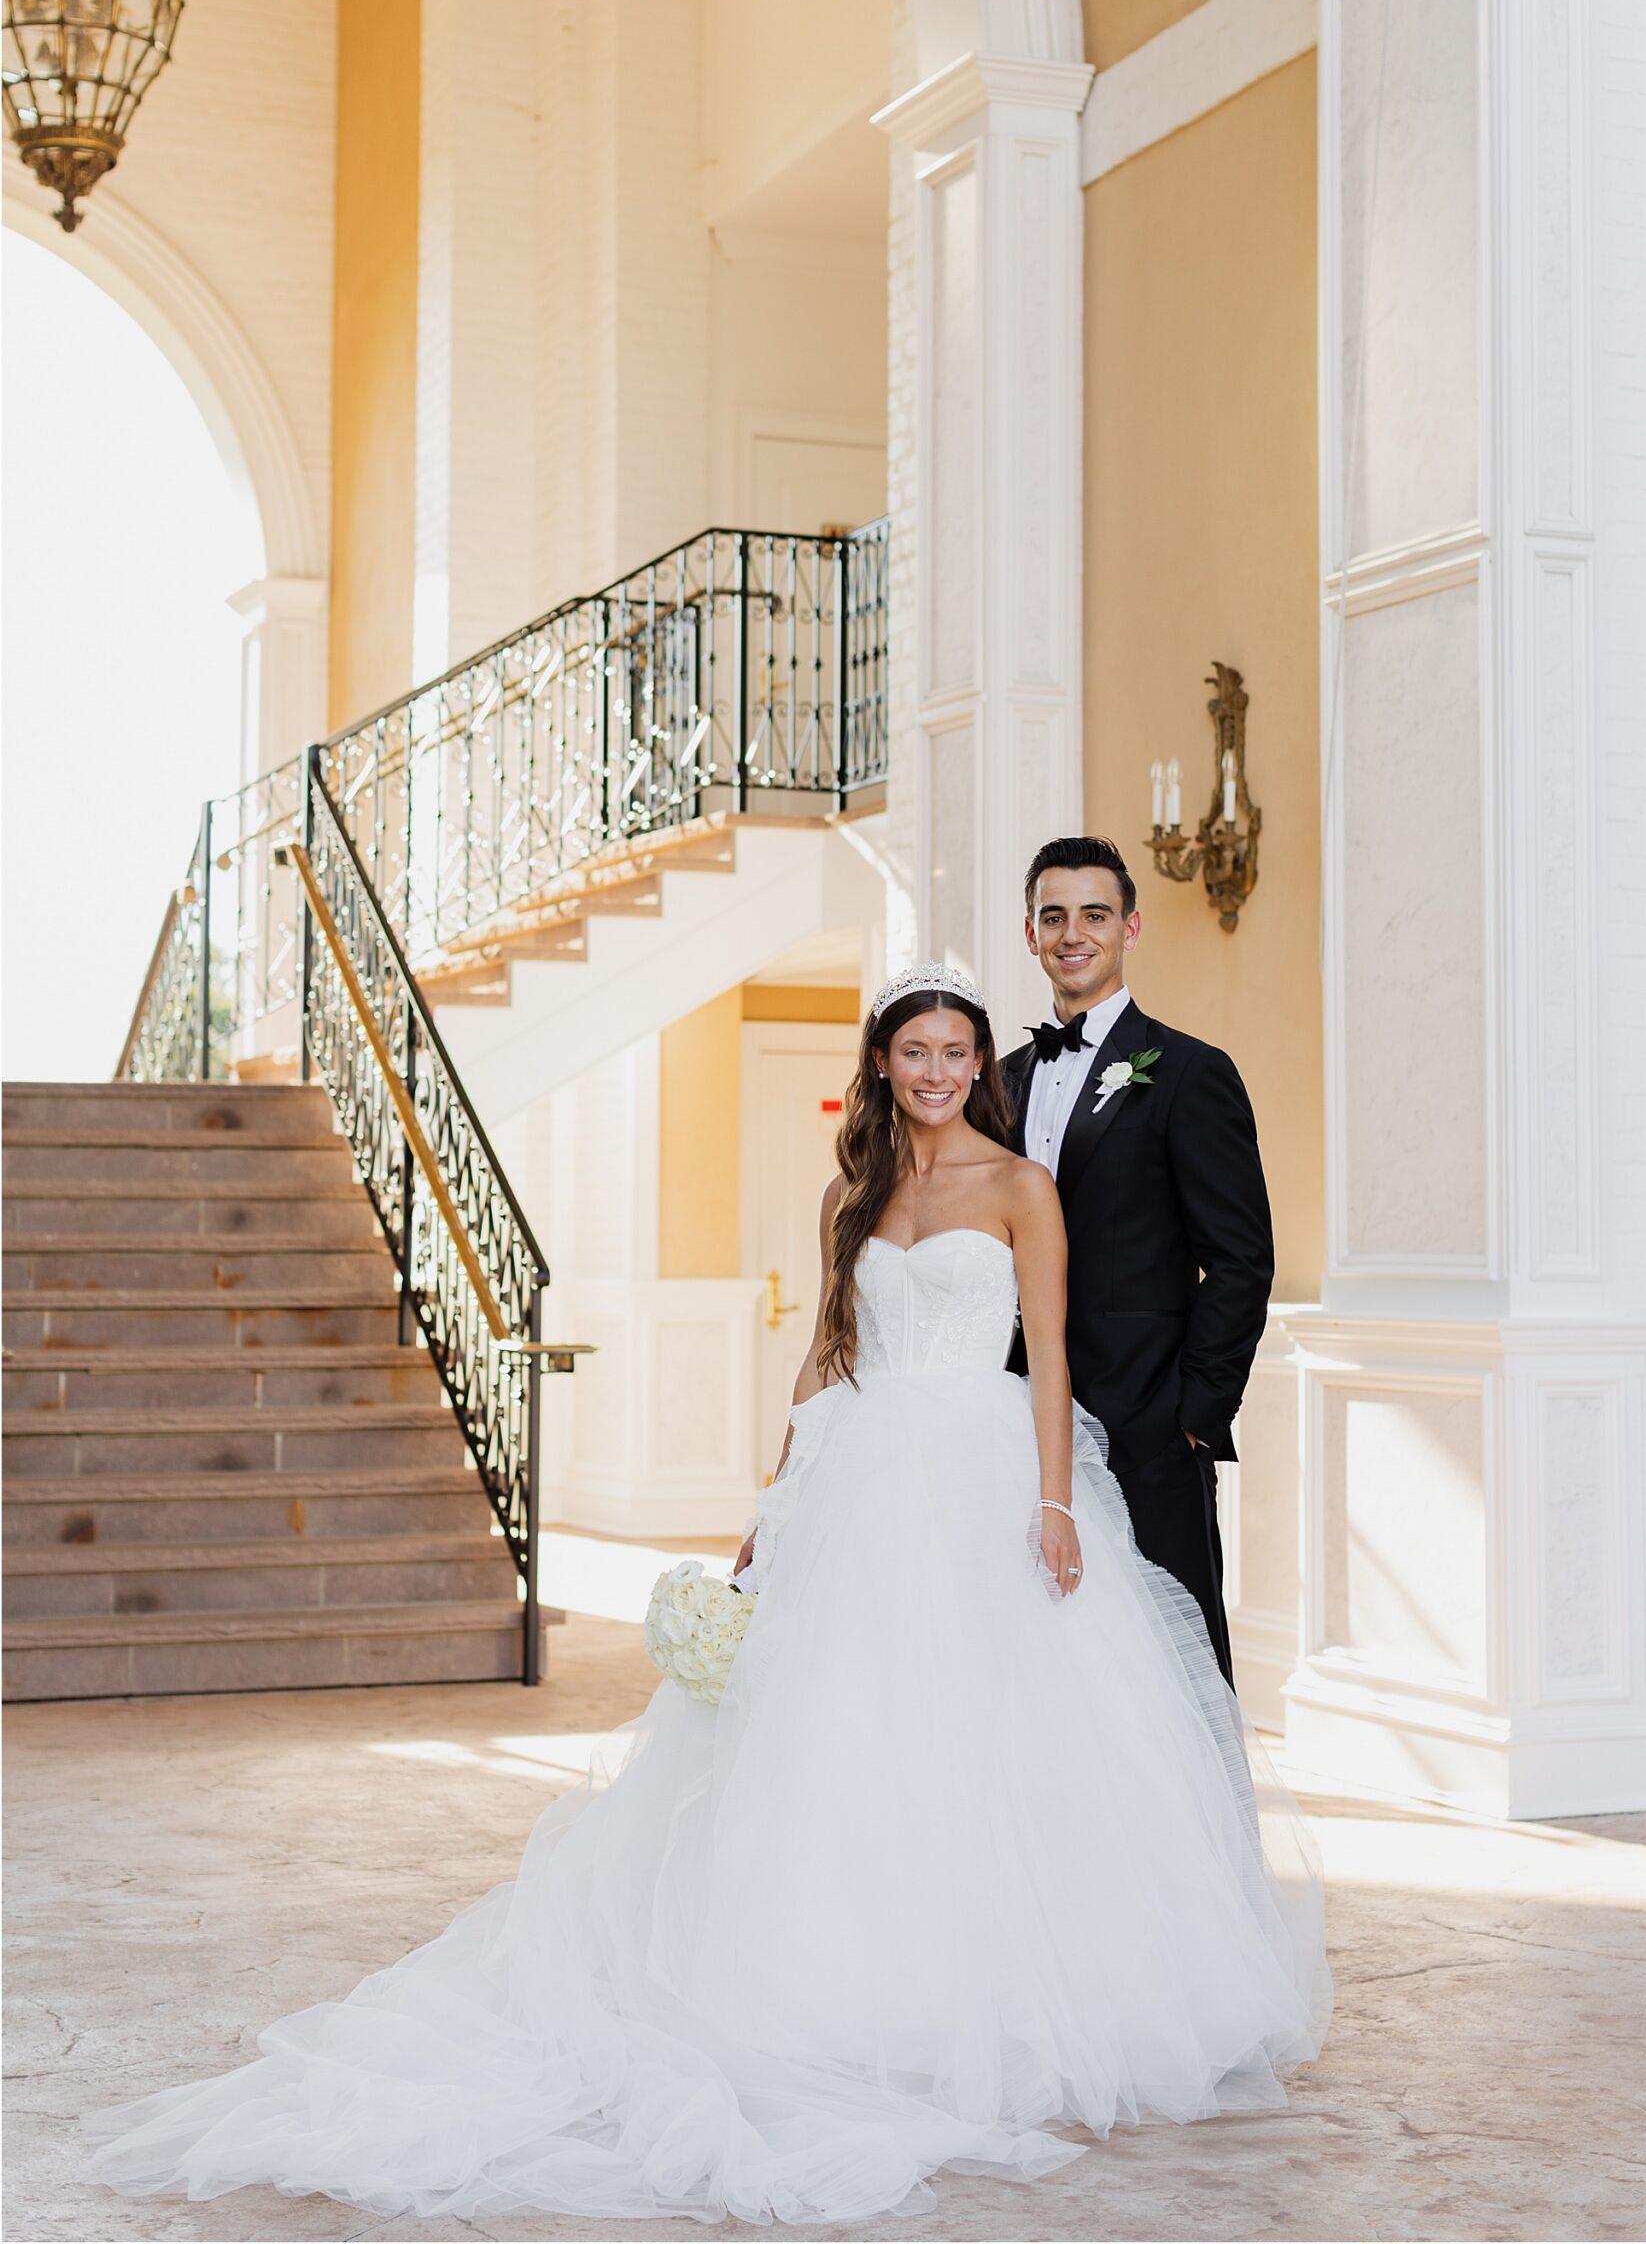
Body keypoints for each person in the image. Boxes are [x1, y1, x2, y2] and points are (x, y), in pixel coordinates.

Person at [87, 965, 1328, 2229]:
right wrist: (775, 1501)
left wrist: (1056, 1503)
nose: (939, 1070)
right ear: (886, 1065)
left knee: (992, 1733)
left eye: (958, 1051)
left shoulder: (1021, 1188)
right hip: (863, 1471)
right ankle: (847, 1983)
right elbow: (827, 1349)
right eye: (917, 1052)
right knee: (841, 1730)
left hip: (985, 1468)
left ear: (979, 1065)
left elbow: (1052, 1352)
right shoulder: (858, 1192)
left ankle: (1019, 1992)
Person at [1004, 836, 1275, 1685]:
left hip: (1147, 1434)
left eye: (1095, 914)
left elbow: (1240, 1259)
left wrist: (1191, 1415)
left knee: (1173, 1674)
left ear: (1131, 927)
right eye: (1055, 916)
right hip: (1010, 1431)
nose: (1073, 933)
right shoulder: (997, 1082)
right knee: (1039, 1668)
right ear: (1030, 933)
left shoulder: (1193, 1074)